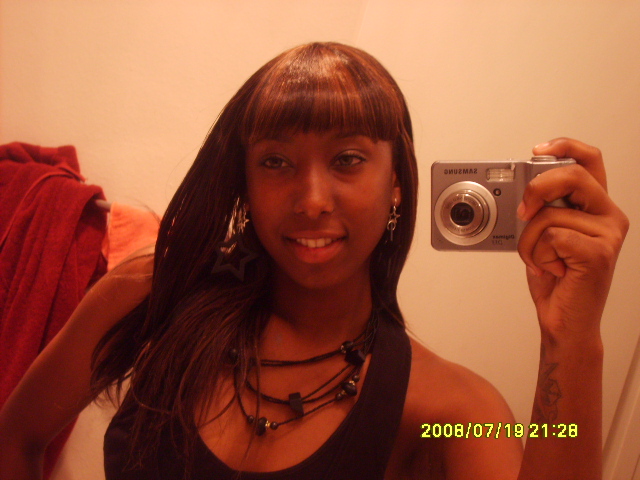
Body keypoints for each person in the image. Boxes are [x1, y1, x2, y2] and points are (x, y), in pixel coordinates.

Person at [0, 42, 629, 480]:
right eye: (276, 161)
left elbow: (548, 443)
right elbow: (16, 438)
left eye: (348, 159)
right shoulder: (149, 295)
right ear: (244, 179)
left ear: (397, 183)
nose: (311, 200)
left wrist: (570, 338)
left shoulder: (450, 414)